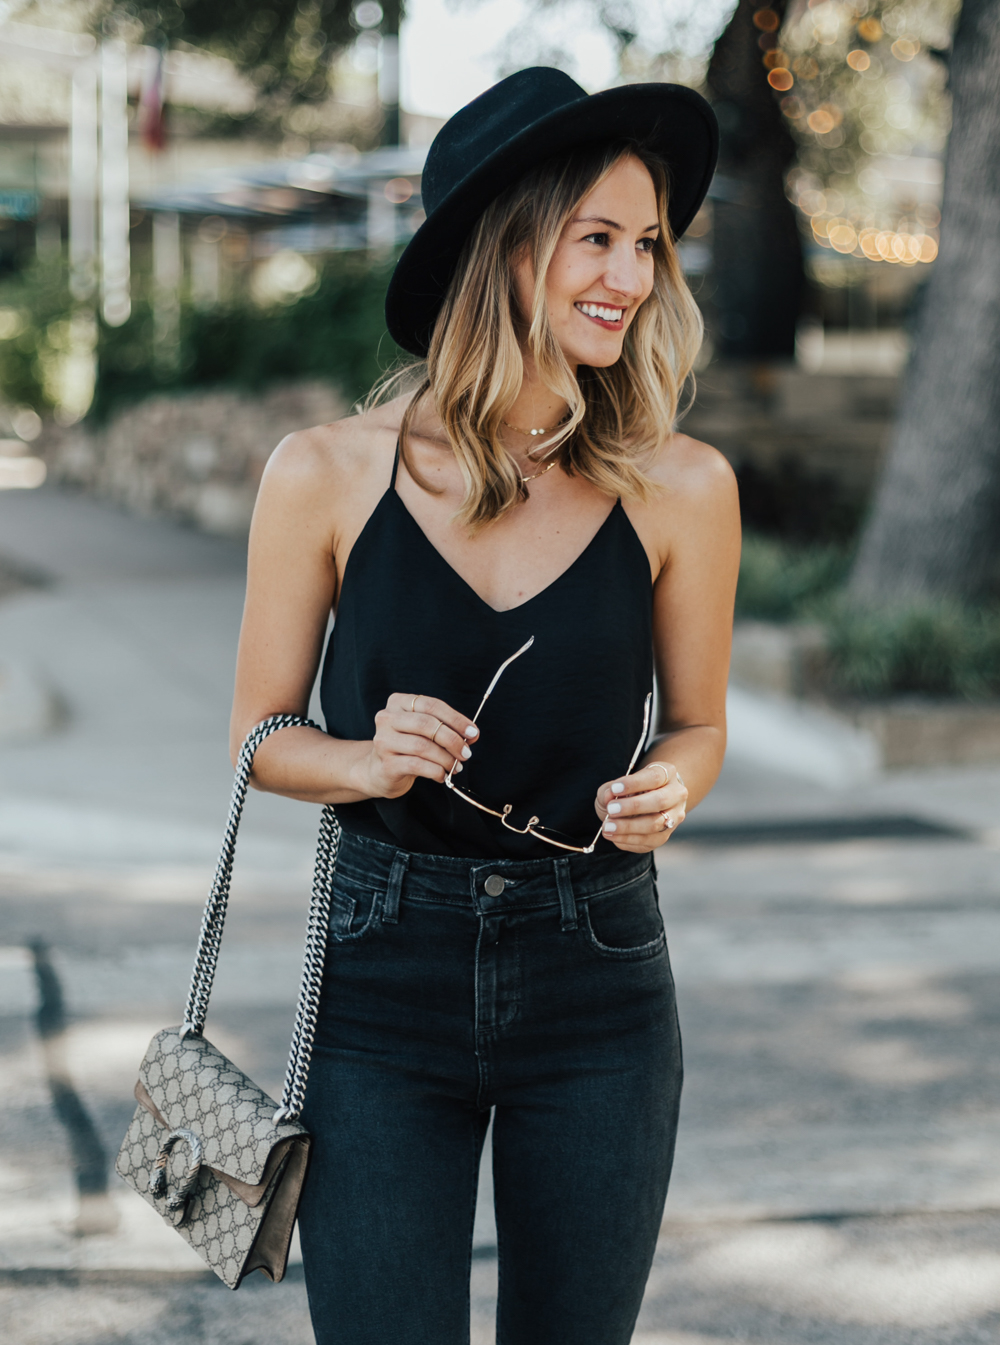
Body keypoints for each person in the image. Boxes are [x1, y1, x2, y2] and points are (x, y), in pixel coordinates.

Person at [230, 67, 739, 1345]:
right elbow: (259, 739)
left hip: (601, 978)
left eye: (649, 246)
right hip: (381, 978)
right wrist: (363, 758)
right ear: (506, 247)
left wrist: (676, 784)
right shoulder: (327, 474)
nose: (632, 276)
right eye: (598, 240)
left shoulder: (678, 487)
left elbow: (698, 720)